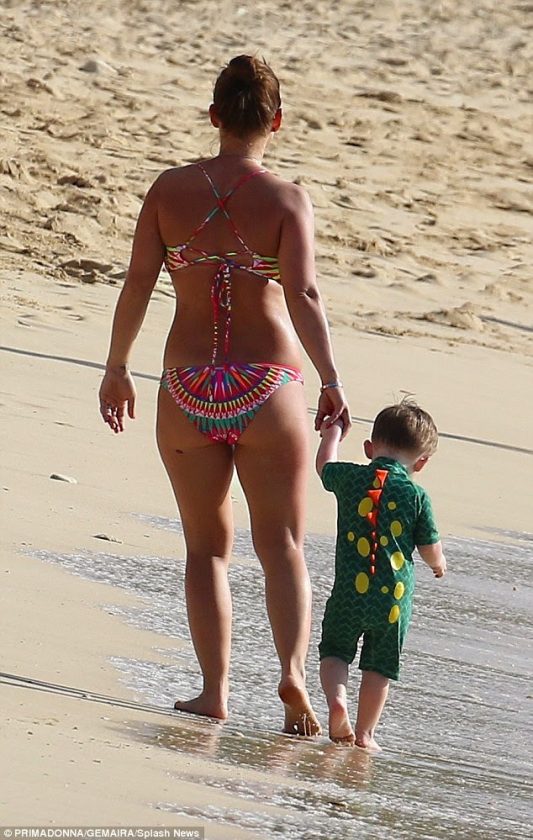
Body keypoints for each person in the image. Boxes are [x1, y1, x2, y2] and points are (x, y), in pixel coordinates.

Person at [98, 55, 351, 735]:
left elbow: (137, 284)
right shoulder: (287, 200)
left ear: (214, 116)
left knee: (206, 548)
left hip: (186, 387)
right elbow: (301, 293)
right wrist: (329, 379)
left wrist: (117, 366)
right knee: (282, 545)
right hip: (265, 384)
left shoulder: (168, 190)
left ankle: (213, 692)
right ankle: (293, 673)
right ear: (276, 120)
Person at [315, 401, 446, 749]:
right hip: (393, 601)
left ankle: (336, 702)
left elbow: (324, 466)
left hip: (348, 593)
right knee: (380, 667)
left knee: (335, 652)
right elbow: (429, 545)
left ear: (369, 449)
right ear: (421, 463)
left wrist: (332, 435)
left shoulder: (352, 477)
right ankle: (365, 733)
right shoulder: (416, 495)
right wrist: (437, 563)